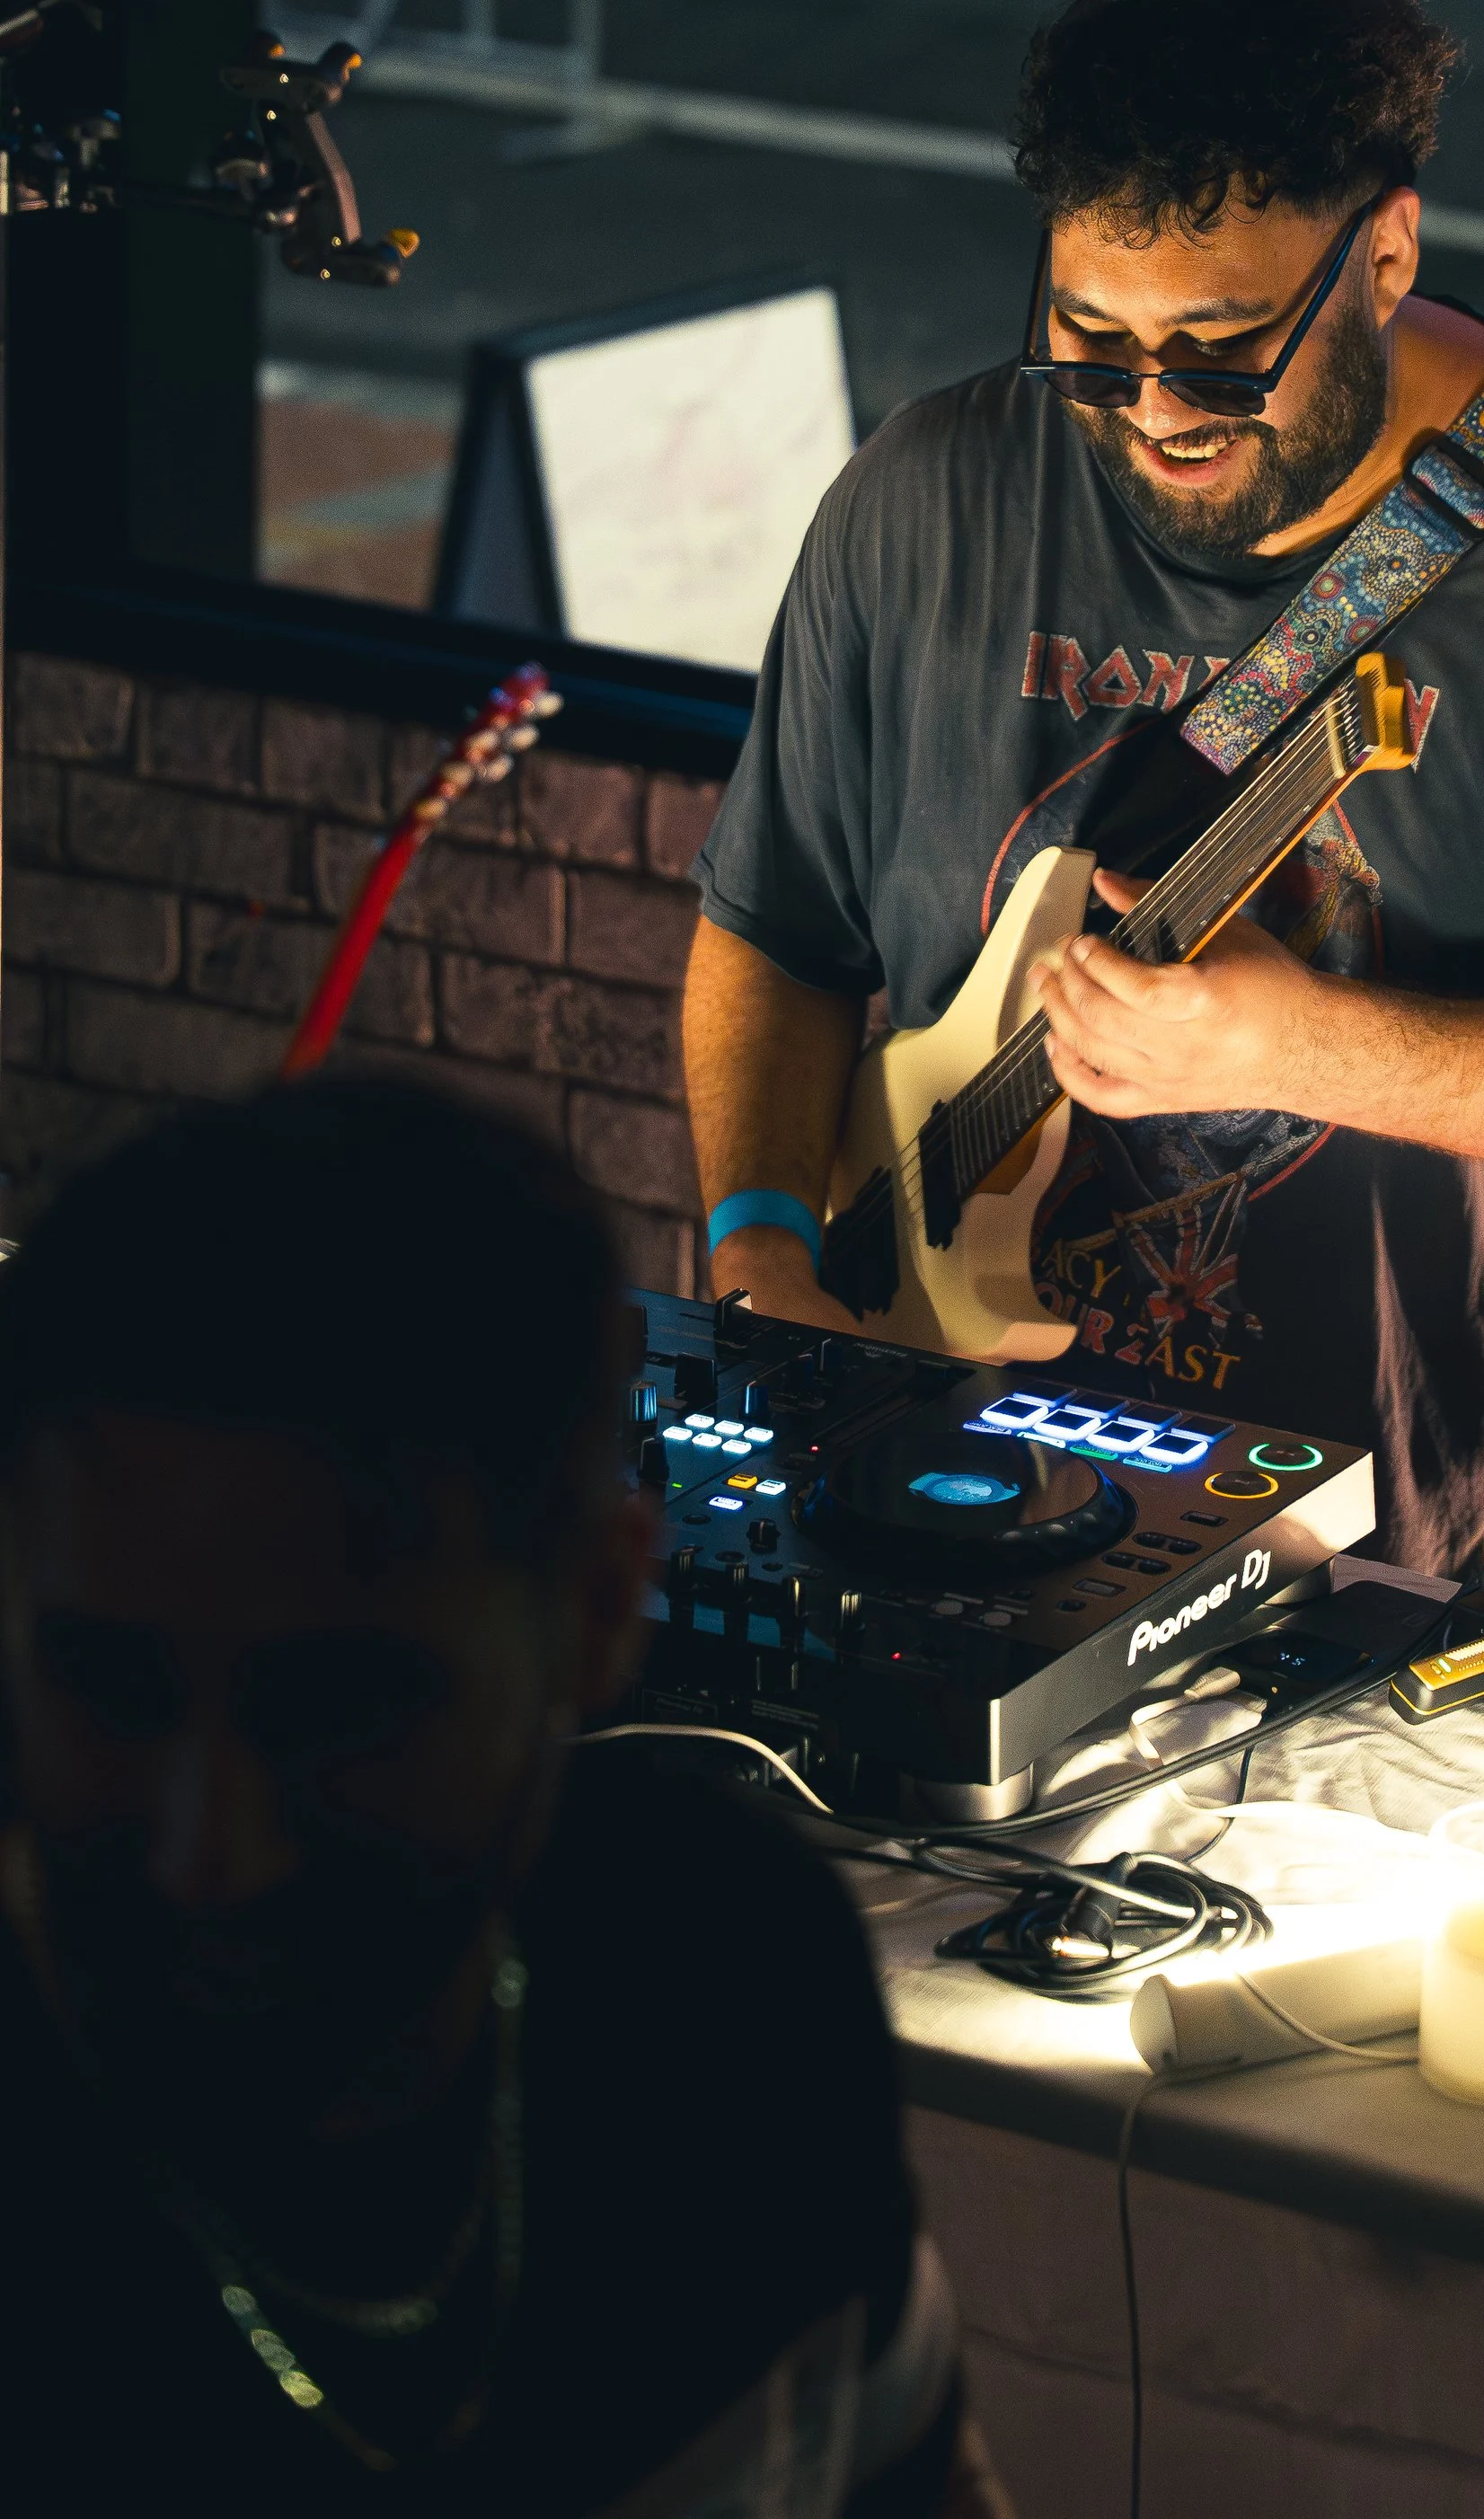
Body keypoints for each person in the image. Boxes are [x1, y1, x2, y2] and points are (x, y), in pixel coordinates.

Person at [684, 0, 1484, 1572]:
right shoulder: (931, 489)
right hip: (937, 1479)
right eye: (1088, 338)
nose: (1153, 408)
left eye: (1221, 352)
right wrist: (760, 1248)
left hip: (1388, 1552)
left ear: (1387, 250)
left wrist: (1302, 1050)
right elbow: (772, 930)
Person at [0, 1075, 1004, 2517]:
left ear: (600, 1605)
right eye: (111, 1691)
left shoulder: (742, 1973)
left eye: (335, 1712)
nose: (204, 1848)